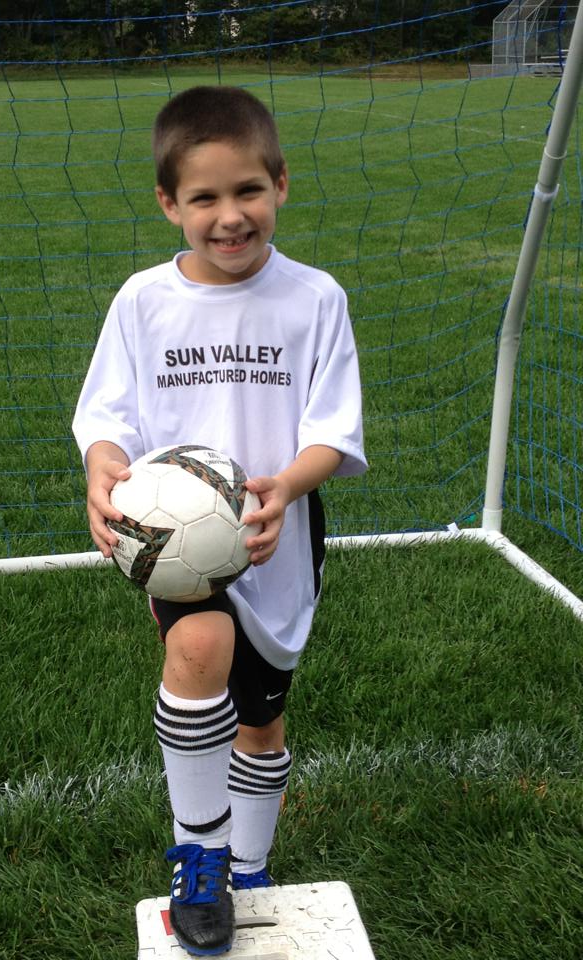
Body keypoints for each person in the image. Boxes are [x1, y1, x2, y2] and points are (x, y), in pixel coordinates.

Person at [73, 85, 367, 957]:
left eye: (248, 191)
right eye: (204, 197)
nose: (229, 216)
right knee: (196, 651)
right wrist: (101, 471)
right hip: (175, 547)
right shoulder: (141, 301)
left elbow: (333, 433)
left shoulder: (315, 299)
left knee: (262, 721)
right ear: (170, 203)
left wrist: (286, 486)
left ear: (281, 183)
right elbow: (107, 416)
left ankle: (251, 864)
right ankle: (198, 857)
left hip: (279, 540)